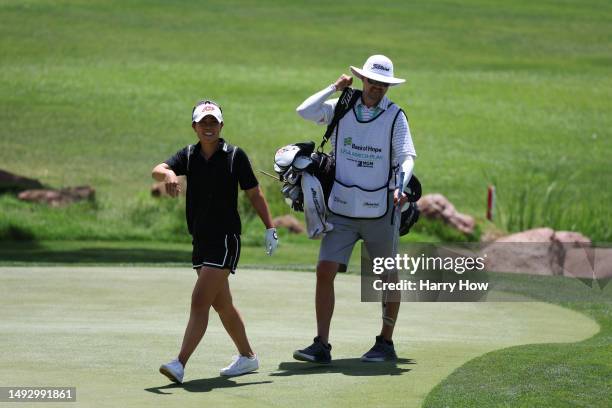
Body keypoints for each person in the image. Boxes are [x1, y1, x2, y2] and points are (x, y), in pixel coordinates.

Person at [293, 55, 417, 363]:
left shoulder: (395, 116)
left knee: (388, 276)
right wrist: (334, 88)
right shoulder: (343, 106)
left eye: (383, 84)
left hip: (380, 210)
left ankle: (385, 343)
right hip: (342, 209)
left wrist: (402, 183)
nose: (376, 88)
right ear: (363, 80)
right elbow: (304, 110)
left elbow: (406, 155)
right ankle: (321, 344)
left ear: (388, 86)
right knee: (325, 270)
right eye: (372, 81)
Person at [152, 100, 278, 382]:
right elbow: (157, 169)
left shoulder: (235, 156)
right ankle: (248, 357)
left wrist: (270, 227)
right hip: (200, 239)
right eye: (203, 122)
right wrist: (170, 174)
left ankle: (179, 363)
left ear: (221, 125)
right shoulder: (188, 155)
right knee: (222, 305)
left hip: (225, 239)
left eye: (213, 122)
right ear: (195, 127)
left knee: (199, 300)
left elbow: (254, 194)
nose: (208, 127)